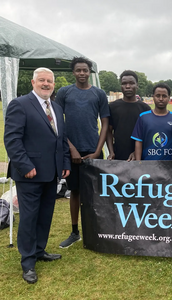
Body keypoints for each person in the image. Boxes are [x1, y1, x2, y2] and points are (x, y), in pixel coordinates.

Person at [4, 68, 70, 284]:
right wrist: (24, 165)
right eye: (41, 80)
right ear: (33, 82)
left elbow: (61, 139)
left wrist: (65, 163)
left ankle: (39, 250)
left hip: (51, 173)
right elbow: (12, 139)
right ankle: (28, 261)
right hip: (30, 174)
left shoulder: (57, 107)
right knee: (29, 217)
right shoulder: (20, 104)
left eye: (49, 81)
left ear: (53, 84)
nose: (46, 84)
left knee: (45, 215)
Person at [56, 57, 110, 248]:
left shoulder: (99, 94)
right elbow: (57, 122)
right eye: (78, 70)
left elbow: (105, 124)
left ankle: (97, 230)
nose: (82, 73)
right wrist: (70, 148)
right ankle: (75, 232)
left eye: (85, 70)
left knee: (96, 193)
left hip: (93, 150)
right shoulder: (65, 92)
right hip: (71, 152)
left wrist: (97, 151)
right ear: (73, 72)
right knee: (75, 191)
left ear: (90, 72)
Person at [106, 70, 151, 160]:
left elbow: (148, 135)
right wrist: (111, 152)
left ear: (137, 85)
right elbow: (108, 131)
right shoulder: (112, 107)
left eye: (131, 83)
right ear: (121, 86)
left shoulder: (145, 108)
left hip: (139, 157)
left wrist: (136, 152)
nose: (128, 86)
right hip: (118, 156)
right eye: (124, 83)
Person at [131, 83, 172, 160]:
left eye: (164, 96)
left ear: (169, 98)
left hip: (170, 166)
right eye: (158, 96)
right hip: (148, 165)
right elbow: (138, 142)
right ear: (153, 97)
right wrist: (139, 164)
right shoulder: (143, 117)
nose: (161, 99)